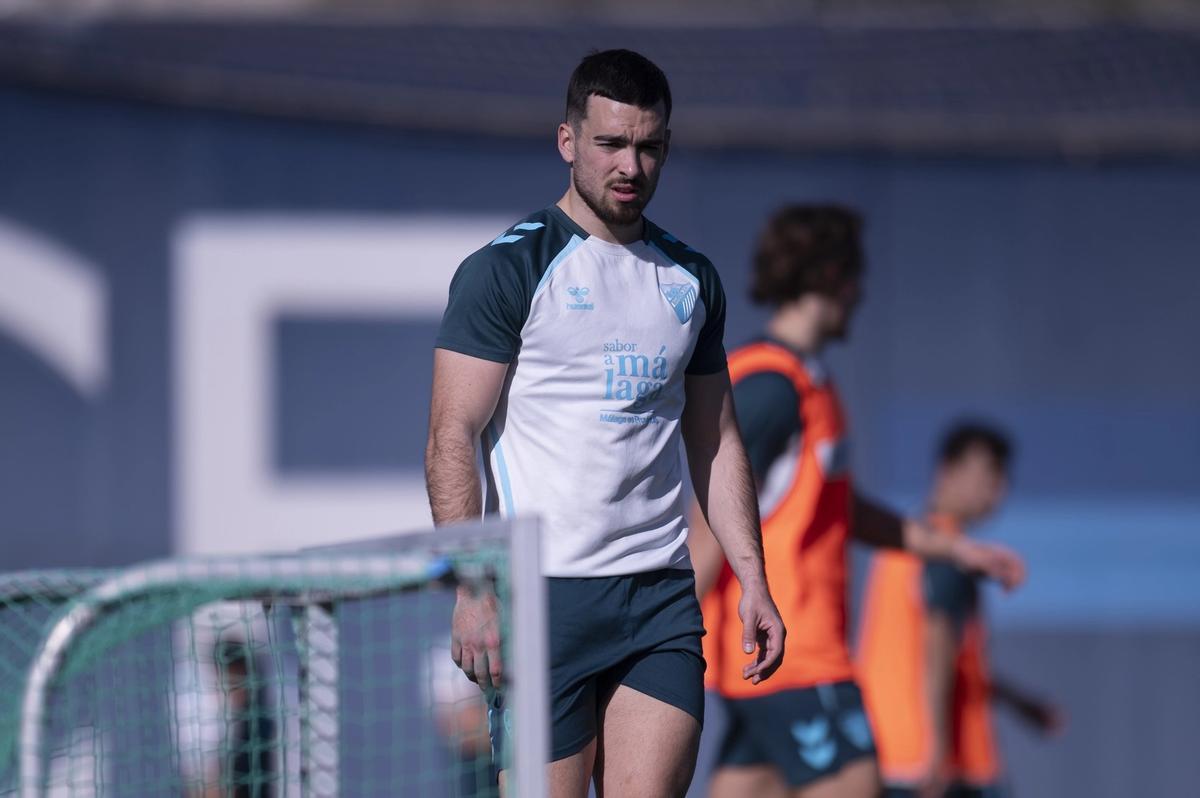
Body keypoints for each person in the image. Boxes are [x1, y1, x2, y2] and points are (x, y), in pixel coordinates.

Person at [425, 49, 786, 798]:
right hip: (544, 599)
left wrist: (753, 578)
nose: (631, 164)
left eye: (649, 146)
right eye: (611, 143)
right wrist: (471, 587)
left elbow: (715, 441)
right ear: (568, 140)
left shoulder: (690, 280)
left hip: (657, 596)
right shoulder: (508, 270)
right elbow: (451, 436)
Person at [689, 205, 1027, 798]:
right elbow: (709, 521)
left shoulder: (807, 382)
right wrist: (660, 641)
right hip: (794, 655)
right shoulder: (772, 386)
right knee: (856, 786)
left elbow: (842, 512)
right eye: (856, 277)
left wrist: (953, 549)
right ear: (831, 276)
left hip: (769, 664)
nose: (861, 294)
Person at [856, 422, 1064, 798]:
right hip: (941, 766)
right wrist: (937, 751)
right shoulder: (947, 552)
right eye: (987, 474)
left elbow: (949, 657)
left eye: (1002, 478)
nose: (996, 491)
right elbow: (936, 645)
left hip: (890, 752)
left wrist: (1016, 701)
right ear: (947, 470)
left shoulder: (906, 542)